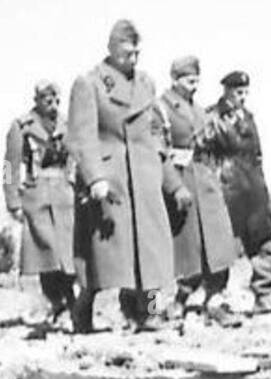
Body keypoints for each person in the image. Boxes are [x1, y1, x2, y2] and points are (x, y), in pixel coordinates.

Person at [67, 19, 191, 333]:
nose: (133, 60)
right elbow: (82, 137)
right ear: (111, 50)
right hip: (112, 180)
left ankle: (146, 313)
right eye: (126, 54)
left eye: (137, 53)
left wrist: (173, 183)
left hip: (144, 175)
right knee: (104, 255)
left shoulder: (147, 85)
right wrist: (95, 178)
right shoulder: (90, 83)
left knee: (149, 252)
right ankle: (83, 307)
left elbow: (155, 136)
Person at [159, 56, 239, 325]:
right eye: (189, 81)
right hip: (181, 181)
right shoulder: (161, 108)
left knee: (218, 244)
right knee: (185, 249)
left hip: (205, 179)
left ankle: (215, 300)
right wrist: (175, 186)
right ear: (175, 79)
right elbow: (158, 153)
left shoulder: (202, 111)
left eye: (196, 81)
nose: (194, 87)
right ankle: (167, 305)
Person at [3, 80, 77, 321]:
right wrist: (12, 199)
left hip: (65, 194)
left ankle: (70, 302)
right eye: (48, 101)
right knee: (47, 254)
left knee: (68, 253)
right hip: (37, 195)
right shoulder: (22, 127)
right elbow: (9, 166)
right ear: (37, 101)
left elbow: (78, 156)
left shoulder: (68, 124)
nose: (53, 105)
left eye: (57, 100)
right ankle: (57, 301)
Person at [206, 70, 271, 314]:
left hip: (253, 188)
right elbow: (205, 155)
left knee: (261, 241)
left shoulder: (249, 117)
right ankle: (213, 297)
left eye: (246, 92)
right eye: (238, 92)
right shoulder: (212, 118)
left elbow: (257, 155)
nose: (243, 97)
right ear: (226, 91)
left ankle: (264, 295)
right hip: (226, 187)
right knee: (220, 246)